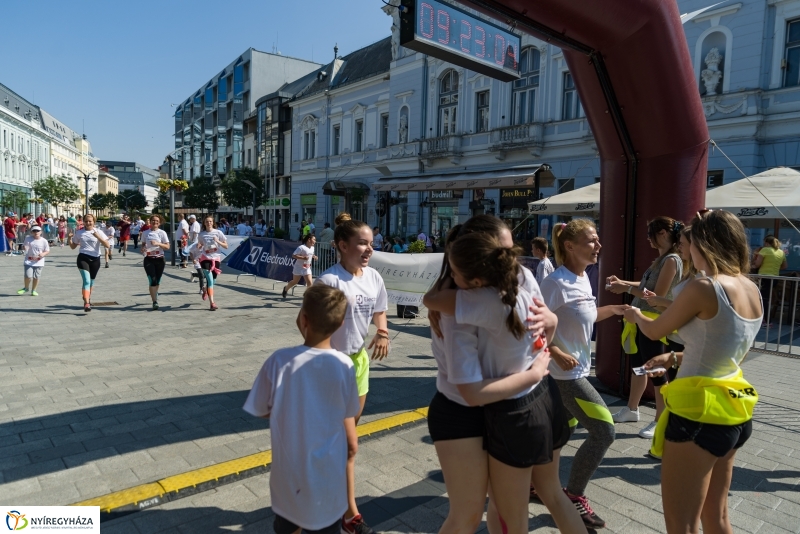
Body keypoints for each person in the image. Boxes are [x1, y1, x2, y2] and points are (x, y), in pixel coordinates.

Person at [424, 230, 584, 534]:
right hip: (524, 399)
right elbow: (541, 335)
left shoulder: (480, 298)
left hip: (514, 404)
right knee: (519, 505)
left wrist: (537, 361)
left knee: (506, 516)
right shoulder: (515, 279)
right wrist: (550, 329)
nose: (508, 254)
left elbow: (431, 298)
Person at [623, 210, 762, 533]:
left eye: (689, 243)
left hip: (697, 414)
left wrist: (635, 316)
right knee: (717, 517)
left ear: (704, 244)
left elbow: (656, 330)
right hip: (733, 408)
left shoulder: (703, 286)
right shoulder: (750, 288)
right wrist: (675, 358)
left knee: (681, 525)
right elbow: (723, 347)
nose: (685, 250)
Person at [536, 220, 630, 529]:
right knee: (605, 432)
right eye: (591, 241)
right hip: (564, 377)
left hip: (578, 371)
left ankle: (537, 485)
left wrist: (614, 310)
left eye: (598, 240)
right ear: (570, 246)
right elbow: (529, 324)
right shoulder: (554, 283)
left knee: (561, 434)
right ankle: (574, 496)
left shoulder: (584, 278)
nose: (598, 246)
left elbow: (584, 316)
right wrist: (554, 350)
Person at [244, 284, 359, 534]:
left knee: (287, 524)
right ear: (341, 325)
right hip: (328, 475)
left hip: (288, 474)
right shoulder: (345, 365)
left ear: (303, 319)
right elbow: (348, 419)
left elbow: (261, 408)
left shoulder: (279, 360)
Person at [314, 212, 389, 534]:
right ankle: (349, 514)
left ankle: (329, 488)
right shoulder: (328, 281)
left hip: (359, 363)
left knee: (344, 440)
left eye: (371, 243)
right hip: (332, 365)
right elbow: (310, 325)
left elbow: (379, 309)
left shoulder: (373, 278)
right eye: (362, 243)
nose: (369, 249)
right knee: (348, 444)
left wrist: (382, 332)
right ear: (342, 246)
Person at [606, 216, 684, 439]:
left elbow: (656, 296)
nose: (648, 239)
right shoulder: (661, 260)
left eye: (650, 234)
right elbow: (644, 287)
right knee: (639, 366)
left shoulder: (671, 260)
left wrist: (626, 289)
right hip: (642, 320)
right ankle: (632, 409)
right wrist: (622, 283)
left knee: (657, 372)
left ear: (662, 234)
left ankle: (661, 419)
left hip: (654, 323)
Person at [69, 214, 110, 312]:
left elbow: (107, 245)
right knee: (86, 281)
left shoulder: (99, 232)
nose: (88, 223)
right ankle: (86, 303)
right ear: (83, 222)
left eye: (90, 221)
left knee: (91, 282)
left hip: (95, 259)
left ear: (94, 222)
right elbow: (73, 247)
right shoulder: (80, 233)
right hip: (83, 258)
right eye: (86, 221)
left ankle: (87, 298)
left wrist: (98, 237)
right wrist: (69, 238)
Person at [753, 235, 787, 326]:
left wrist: (753, 264)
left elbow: (757, 264)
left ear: (767, 243)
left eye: (764, 243)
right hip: (775, 278)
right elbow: (784, 266)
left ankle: (767, 321)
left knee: (763, 299)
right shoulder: (781, 252)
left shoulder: (765, 250)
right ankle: (766, 320)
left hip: (764, 277)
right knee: (767, 298)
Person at [140, 215, 170, 310]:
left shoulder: (162, 233)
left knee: (158, 280)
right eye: (153, 220)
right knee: (152, 280)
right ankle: (154, 301)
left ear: (159, 223)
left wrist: (158, 244)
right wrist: (143, 248)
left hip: (160, 259)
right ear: (150, 222)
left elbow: (167, 247)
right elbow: (143, 244)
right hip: (149, 259)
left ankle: (154, 294)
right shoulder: (145, 233)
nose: (155, 222)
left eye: (157, 221)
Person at [198, 216, 228, 310]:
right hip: (205, 258)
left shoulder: (218, 232)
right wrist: (199, 246)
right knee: (210, 281)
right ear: (204, 223)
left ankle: (205, 290)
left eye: (210, 221)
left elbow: (226, 246)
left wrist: (218, 241)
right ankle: (212, 303)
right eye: (207, 221)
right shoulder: (201, 234)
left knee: (213, 280)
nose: (209, 223)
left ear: (213, 222)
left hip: (216, 258)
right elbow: (200, 245)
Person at [17, 226, 50, 296]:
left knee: (36, 277)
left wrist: (43, 254)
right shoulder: (28, 238)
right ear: (31, 232)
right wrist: (24, 247)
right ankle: (26, 288)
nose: (36, 232)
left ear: (41, 232)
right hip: (28, 260)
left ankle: (34, 290)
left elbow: (47, 251)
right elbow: (24, 246)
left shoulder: (44, 241)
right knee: (28, 276)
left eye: (37, 231)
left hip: (39, 261)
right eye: (34, 231)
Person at [283, 234, 317, 299]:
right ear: (309, 240)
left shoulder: (312, 248)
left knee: (310, 283)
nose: (315, 241)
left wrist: (314, 256)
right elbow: (294, 255)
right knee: (295, 282)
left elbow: (310, 254)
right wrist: (302, 258)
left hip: (307, 268)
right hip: (298, 267)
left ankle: (307, 296)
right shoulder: (301, 247)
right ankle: (286, 289)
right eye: (314, 239)